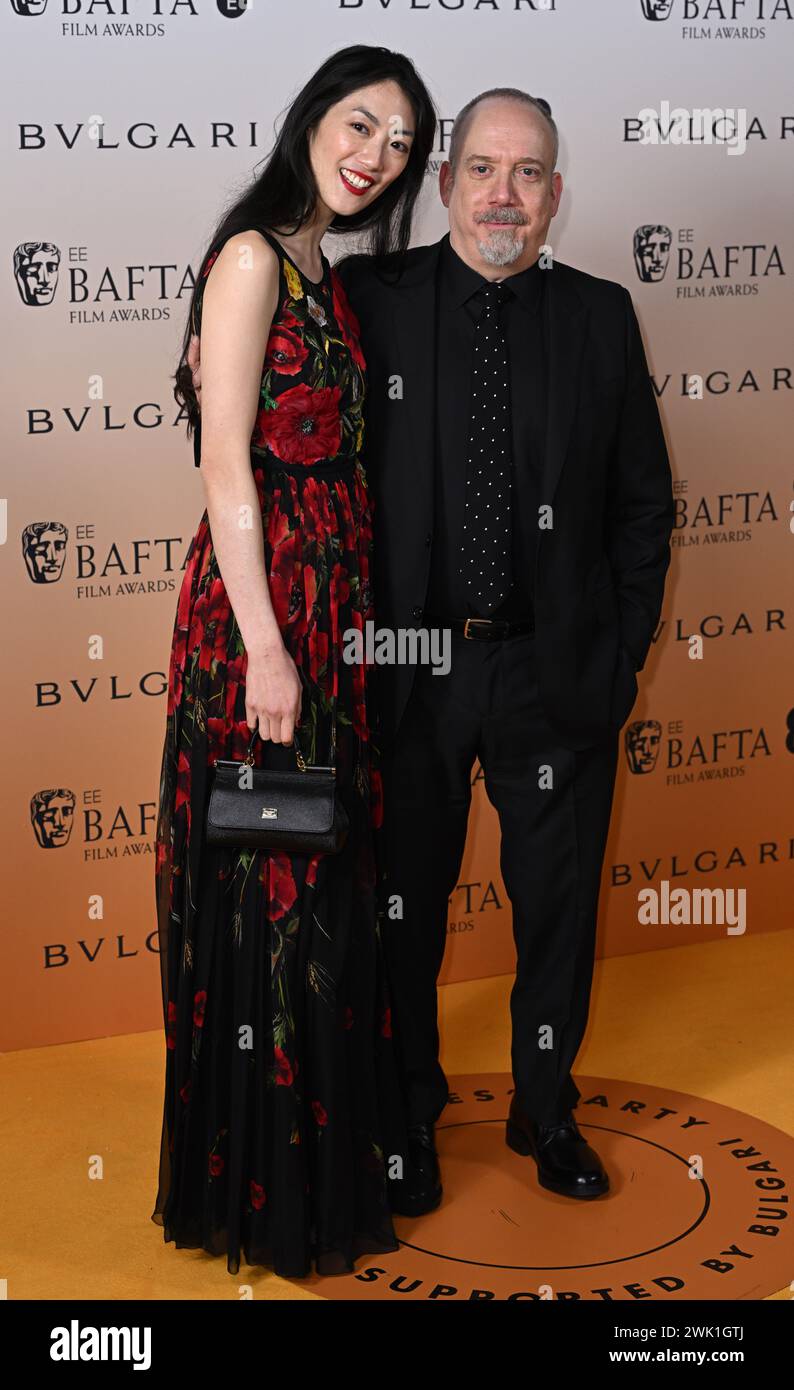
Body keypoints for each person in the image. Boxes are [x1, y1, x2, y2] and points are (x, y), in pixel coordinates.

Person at [332, 89, 675, 1215]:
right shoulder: (364, 302)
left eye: (527, 174)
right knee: (402, 911)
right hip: (409, 668)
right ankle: (406, 1115)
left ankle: (543, 1105)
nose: (502, 195)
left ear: (555, 196)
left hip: (552, 672)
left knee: (555, 915)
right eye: (480, 168)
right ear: (439, 185)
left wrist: (614, 656)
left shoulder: (598, 316)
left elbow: (640, 508)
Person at [151, 44, 436, 1279]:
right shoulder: (257, 256)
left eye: (398, 144)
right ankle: (263, 1197)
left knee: (316, 877)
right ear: (312, 114)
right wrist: (266, 648)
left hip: (333, 607)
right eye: (359, 122)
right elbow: (226, 465)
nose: (374, 155)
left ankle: (318, 1163)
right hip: (260, 618)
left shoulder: (329, 265)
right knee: (266, 887)